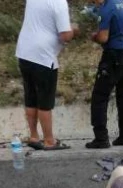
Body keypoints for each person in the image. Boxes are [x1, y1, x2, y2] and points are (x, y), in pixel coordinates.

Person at [16, 0, 80, 151]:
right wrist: (74, 30)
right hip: (43, 56)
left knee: (30, 97)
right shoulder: (59, 3)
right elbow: (65, 36)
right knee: (45, 100)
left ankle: (34, 136)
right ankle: (49, 140)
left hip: (24, 51)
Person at [85, 0, 123, 149]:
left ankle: (101, 138)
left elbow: (103, 37)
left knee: (100, 96)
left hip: (113, 56)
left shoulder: (107, 8)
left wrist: (94, 36)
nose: (93, 2)